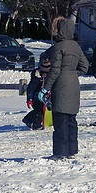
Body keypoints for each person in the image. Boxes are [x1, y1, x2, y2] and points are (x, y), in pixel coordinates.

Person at [39, 16, 89, 158]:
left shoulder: (58, 47)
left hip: (61, 86)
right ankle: (72, 151)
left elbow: (54, 71)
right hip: (73, 85)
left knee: (60, 121)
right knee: (71, 121)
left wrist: (45, 88)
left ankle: (60, 153)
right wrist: (72, 73)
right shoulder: (76, 46)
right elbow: (85, 67)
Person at [24, 51, 52, 130]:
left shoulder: (53, 74)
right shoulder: (37, 76)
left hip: (49, 97)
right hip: (37, 98)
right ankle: (33, 123)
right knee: (39, 112)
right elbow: (31, 88)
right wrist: (29, 99)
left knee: (49, 111)